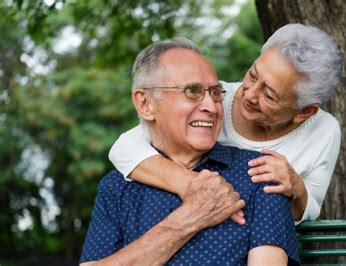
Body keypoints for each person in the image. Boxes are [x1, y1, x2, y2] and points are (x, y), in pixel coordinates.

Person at [80, 38, 299, 265]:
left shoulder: (260, 173)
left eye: (215, 93)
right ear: (145, 104)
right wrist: (189, 218)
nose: (211, 107)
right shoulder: (116, 188)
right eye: (192, 91)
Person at [109, 23, 342, 223]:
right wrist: (193, 185)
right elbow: (124, 148)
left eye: (269, 96)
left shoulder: (324, 131)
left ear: (304, 112)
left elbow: (310, 207)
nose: (249, 94)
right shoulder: (211, 100)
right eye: (252, 75)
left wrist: (297, 187)